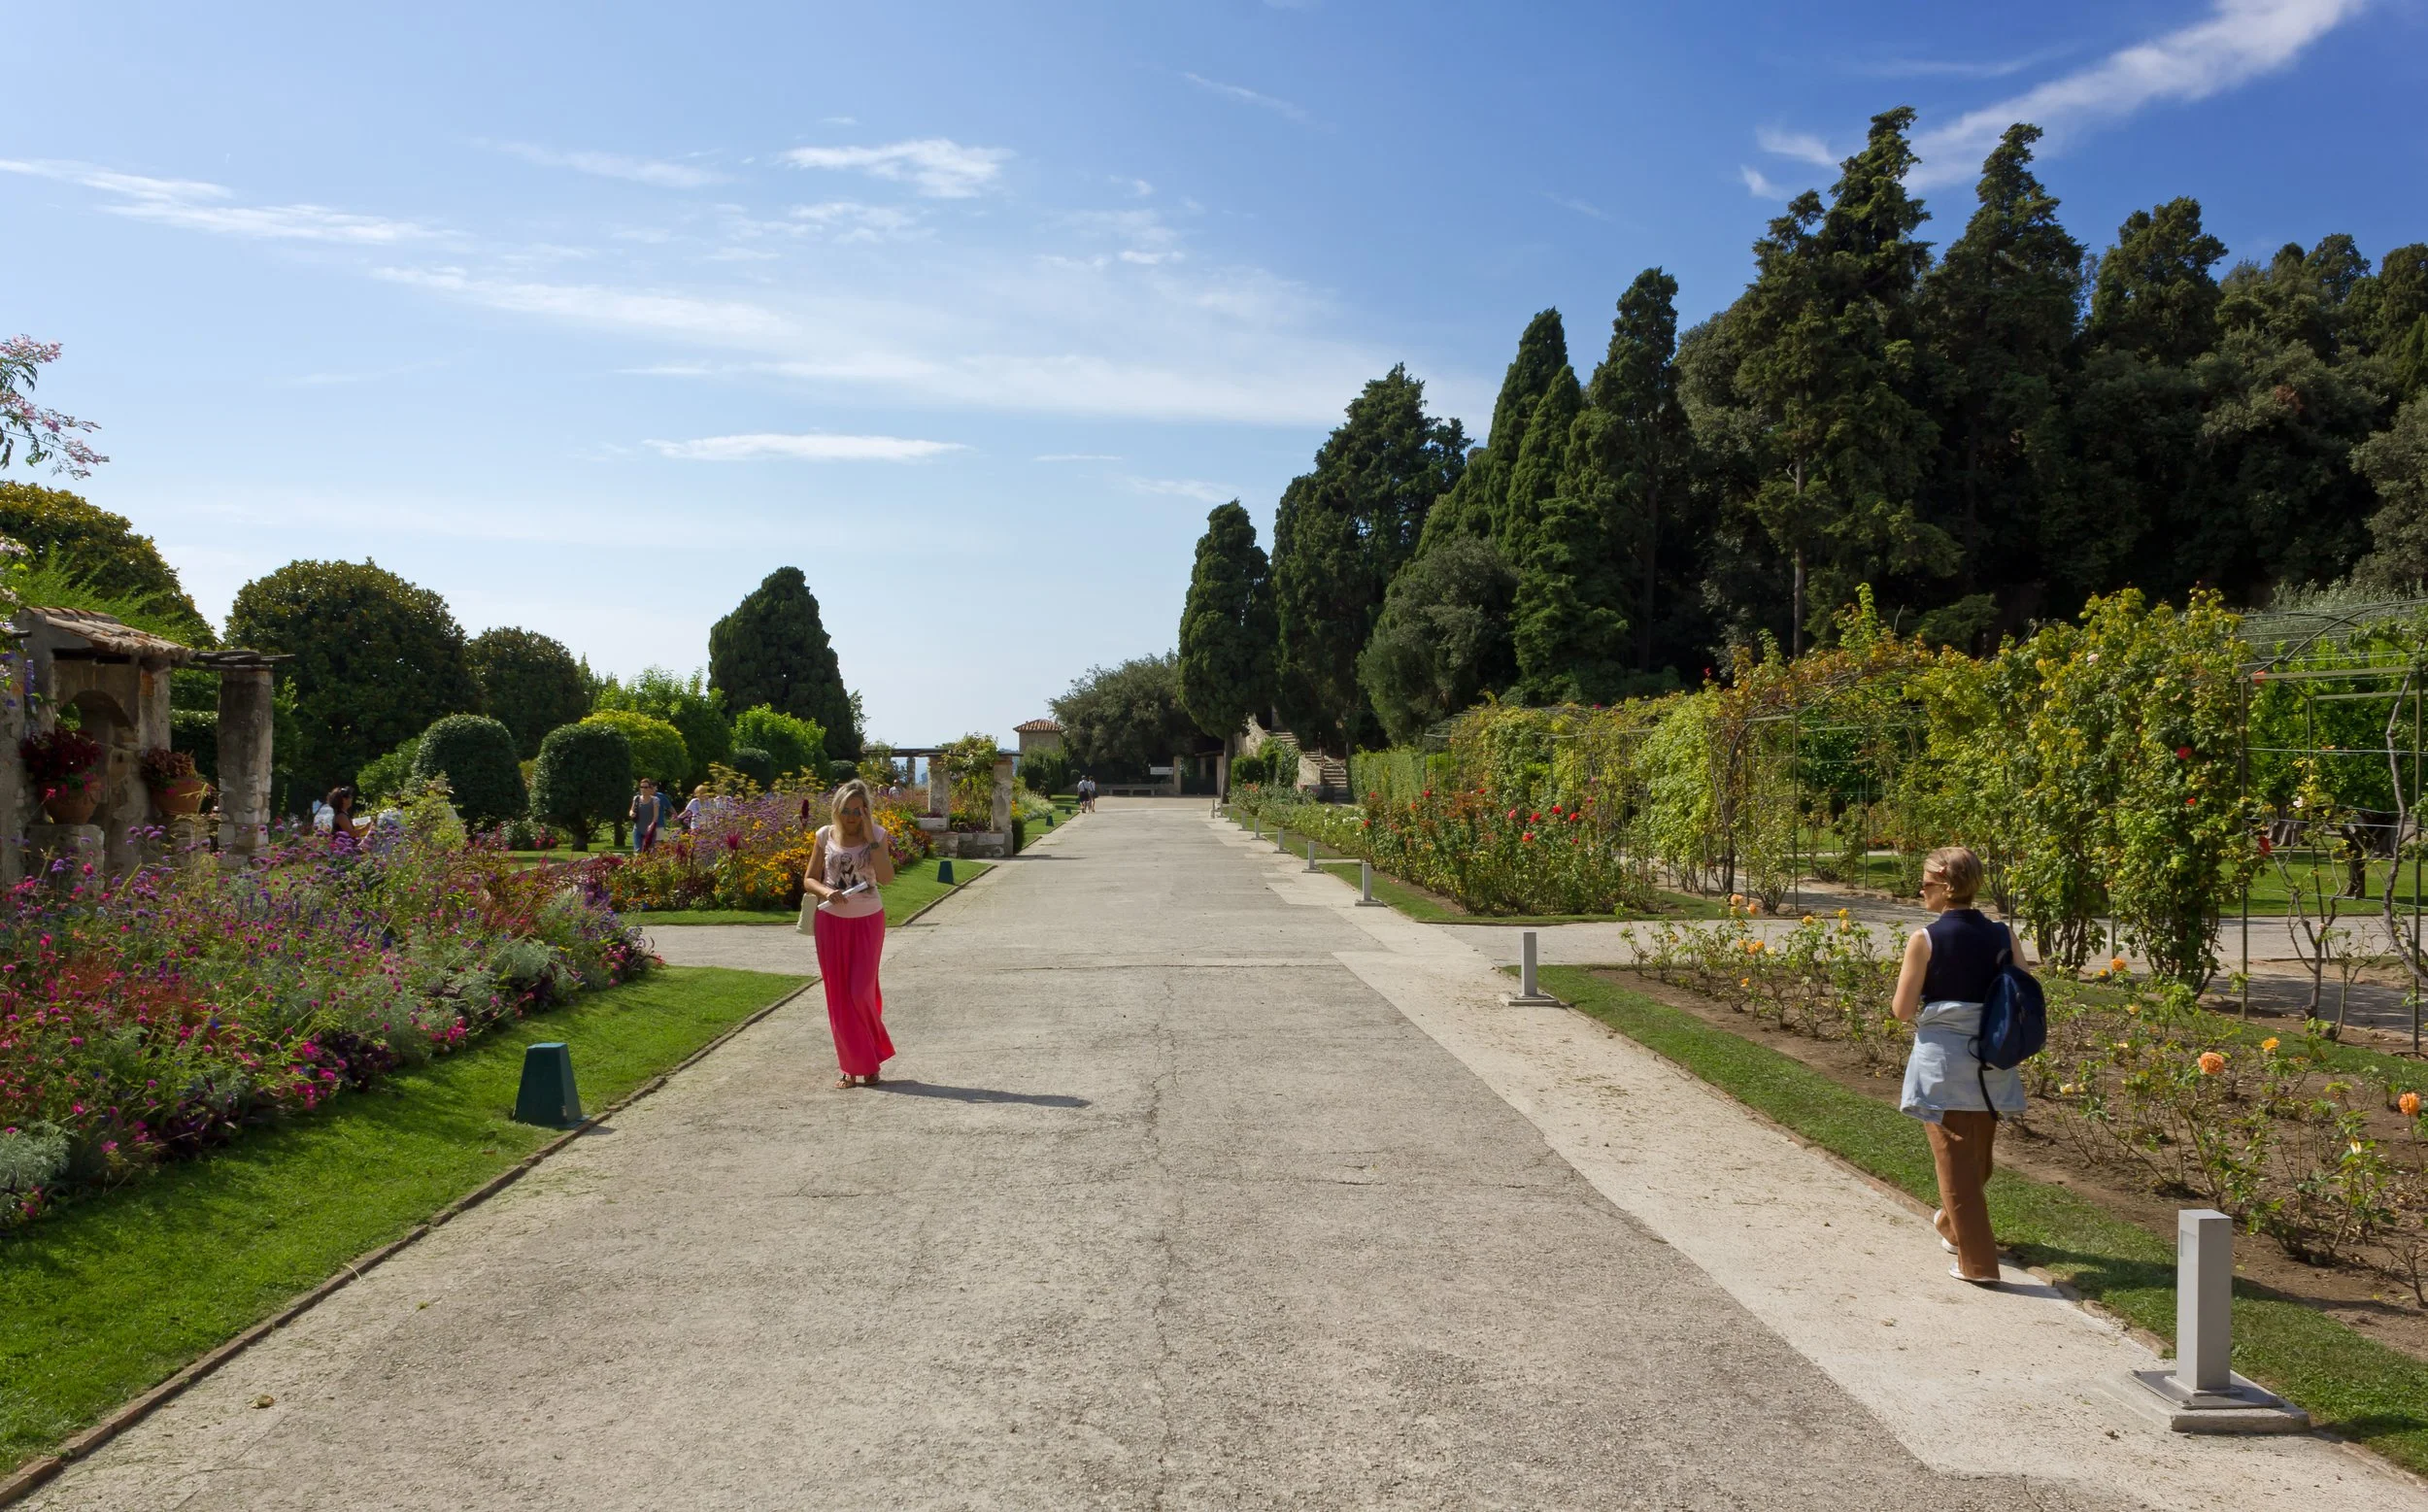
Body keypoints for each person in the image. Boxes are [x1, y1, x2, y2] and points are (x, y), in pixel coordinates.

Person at [1893, 845, 2031, 1287]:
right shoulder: (2003, 936)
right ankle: (1953, 1228)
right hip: (1992, 1056)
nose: (1922, 891)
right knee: (1977, 1157)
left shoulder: (1926, 938)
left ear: (1946, 885)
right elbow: (2023, 990)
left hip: (1945, 1060)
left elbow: (1902, 1009)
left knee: (1955, 1162)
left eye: (1927, 884)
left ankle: (1978, 1264)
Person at [801, 778, 896, 1089]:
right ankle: (851, 1066)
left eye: (859, 811)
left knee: (860, 991)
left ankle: (870, 1053)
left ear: (867, 811)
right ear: (837, 809)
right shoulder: (823, 836)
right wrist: (827, 892)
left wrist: (871, 837)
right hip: (831, 922)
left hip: (868, 919)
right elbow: (809, 880)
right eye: (847, 810)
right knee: (839, 996)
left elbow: (886, 878)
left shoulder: (877, 836)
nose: (852, 817)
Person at [629, 779, 661, 853]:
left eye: (646, 787)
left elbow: (656, 816)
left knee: (649, 852)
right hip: (638, 828)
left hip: (650, 830)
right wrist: (631, 813)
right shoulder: (636, 798)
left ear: (650, 788)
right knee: (637, 851)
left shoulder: (655, 800)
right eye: (641, 787)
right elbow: (631, 810)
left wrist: (652, 825)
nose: (643, 789)